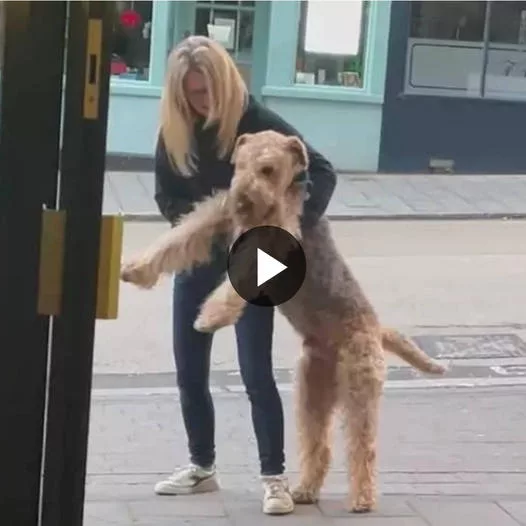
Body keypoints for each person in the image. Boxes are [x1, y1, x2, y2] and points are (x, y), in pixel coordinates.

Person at [153, 35, 336, 515]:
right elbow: (166, 197)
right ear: (179, 95)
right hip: (200, 260)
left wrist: (292, 229)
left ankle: (273, 478)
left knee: (256, 372)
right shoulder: (176, 130)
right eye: (193, 94)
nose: (204, 101)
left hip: (257, 256)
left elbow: (322, 171)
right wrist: (198, 231)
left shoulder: (256, 120)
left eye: (210, 90)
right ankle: (201, 467)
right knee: (189, 372)